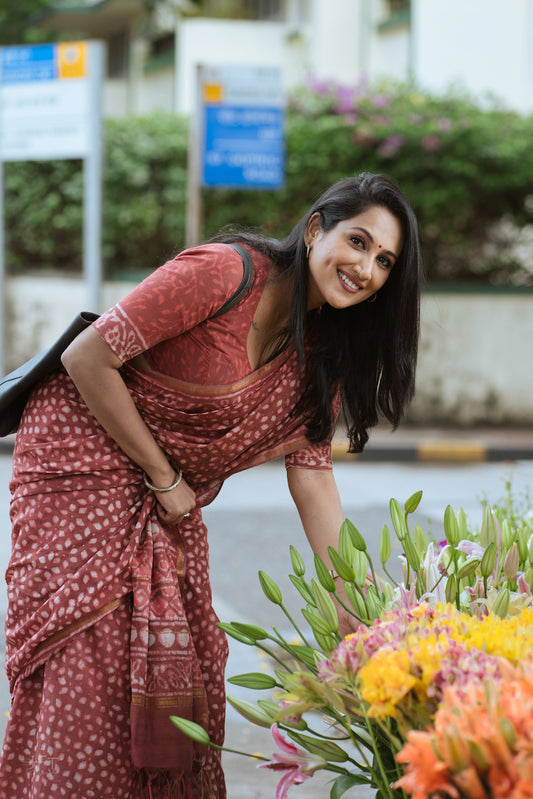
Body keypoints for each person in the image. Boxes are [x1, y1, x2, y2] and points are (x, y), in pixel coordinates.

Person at [0, 172, 422, 799]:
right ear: (314, 230)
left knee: (175, 672)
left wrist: (357, 607)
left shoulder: (321, 362)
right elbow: (86, 357)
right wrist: (164, 474)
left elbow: (314, 483)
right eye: (358, 242)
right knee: (89, 667)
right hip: (79, 461)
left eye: (384, 261)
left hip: (161, 492)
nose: (366, 268)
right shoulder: (225, 273)